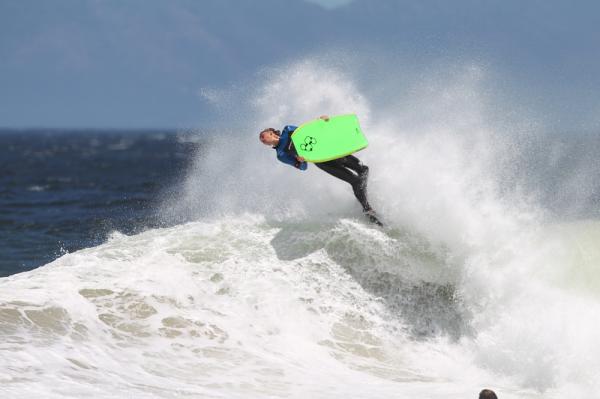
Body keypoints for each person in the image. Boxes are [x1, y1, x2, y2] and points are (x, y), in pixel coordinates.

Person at [259, 115, 382, 226]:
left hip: (330, 150)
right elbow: (303, 167)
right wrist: (301, 160)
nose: (262, 141)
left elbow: (312, 133)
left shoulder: (288, 129)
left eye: (263, 137)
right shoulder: (281, 155)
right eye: (262, 141)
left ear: (271, 133)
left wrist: (321, 121)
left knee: (364, 170)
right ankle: (367, 209)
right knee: (354, 181)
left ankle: (362, 196)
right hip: (322, 161)